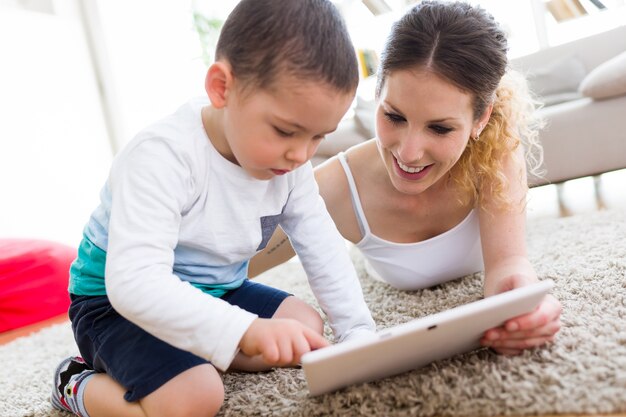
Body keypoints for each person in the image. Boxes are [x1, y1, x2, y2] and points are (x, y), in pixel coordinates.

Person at [50, 1, 376, 416]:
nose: (300, 154)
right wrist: (244, 330)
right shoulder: (162, 156)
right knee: (195, 397)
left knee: (303, 328)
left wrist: (358, 331)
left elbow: (322, 243)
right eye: (285, 131)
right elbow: (133, 283)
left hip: (215, 289)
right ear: (222, 87)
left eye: (318, 137)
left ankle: (196, 349)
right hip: (114, 305)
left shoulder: (289, 164)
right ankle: (75, 383)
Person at [250, 0, 561, 356]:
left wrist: (525, 305)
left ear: (480, 120)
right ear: (377, 93)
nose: (409, 153)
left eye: (440, 128)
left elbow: (508, 264)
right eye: (394, 117)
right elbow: (226, 267)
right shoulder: (333, 188)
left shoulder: (495, 151)